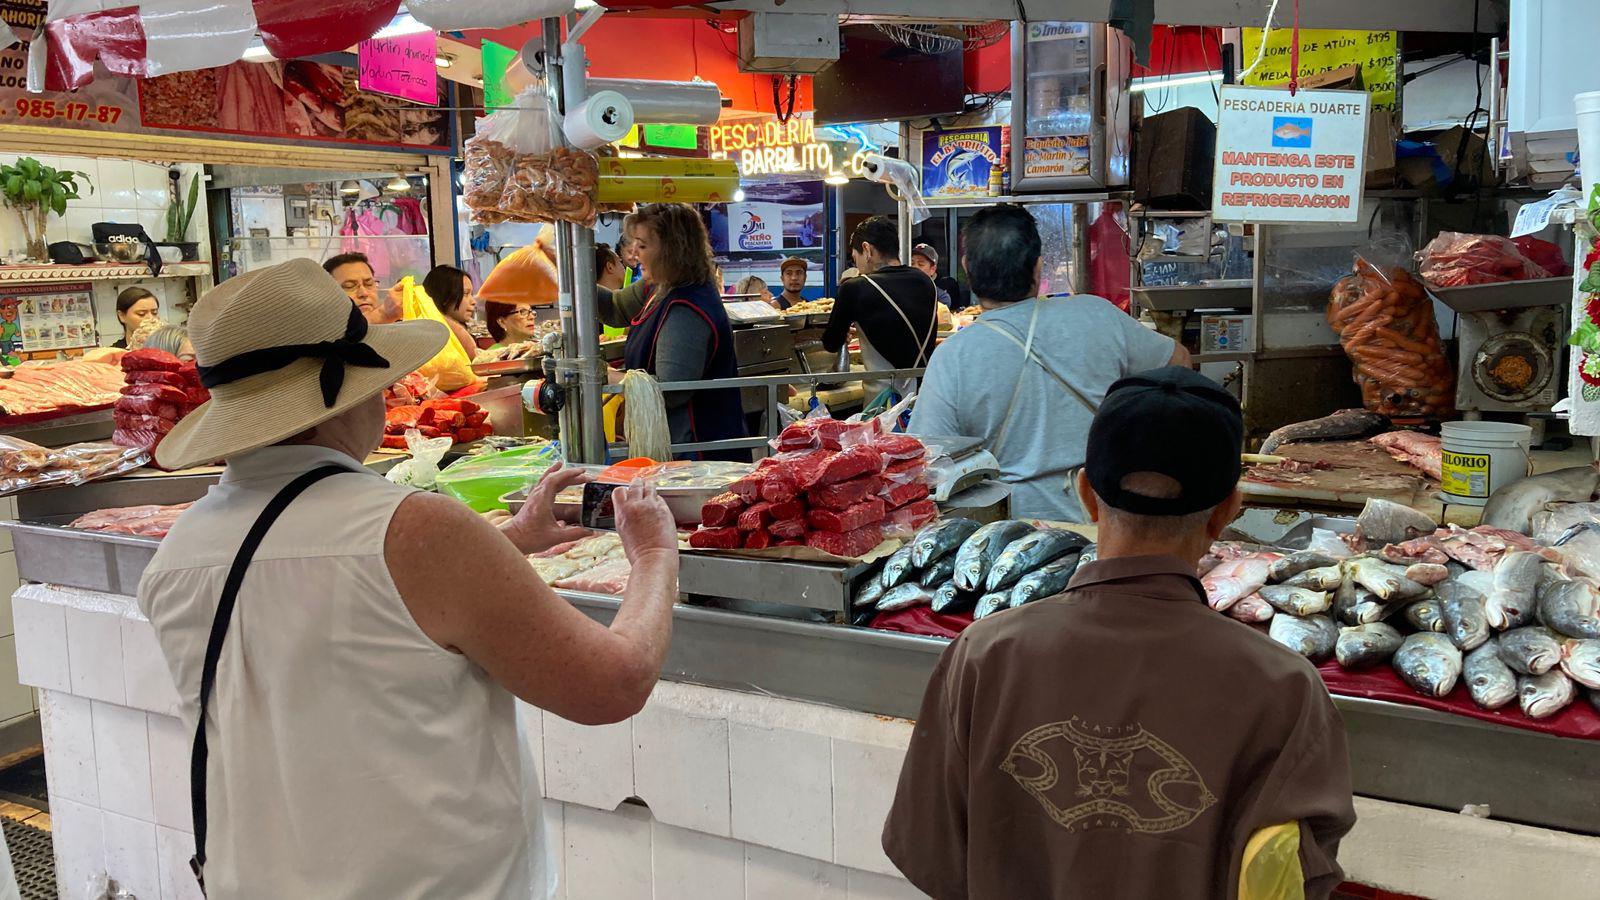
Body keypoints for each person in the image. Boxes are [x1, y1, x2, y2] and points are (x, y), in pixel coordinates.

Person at [138, 258, 681, 898]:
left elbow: (350, 612)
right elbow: (611, 686)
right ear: (350, 395)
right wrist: (654, 553)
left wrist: (504, 543)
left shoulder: (180, 552)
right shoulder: (416, 530)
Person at [884, 366, 1357, 899]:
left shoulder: (984, 654)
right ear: (1228, 510)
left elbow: (929, 854)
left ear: (1086, 494)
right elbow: (1296, 880)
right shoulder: (1284, 686)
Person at [910, 204, 1190, 523]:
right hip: (1108, 519)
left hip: (1010, 533)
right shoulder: (1096, 315)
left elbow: (926, 462)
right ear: (1038, 267)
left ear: (966, 268)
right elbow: (1179, 363)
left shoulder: (953, 356)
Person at [610, 203, 746, 460]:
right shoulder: (660, 286)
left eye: (642, 245)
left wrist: (609, 377)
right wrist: (563, 280)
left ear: (671, 250)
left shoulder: (687, 308)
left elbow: (671, 390)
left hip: (695, 453)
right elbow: (615, 307)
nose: (634, 253)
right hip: (675, 445)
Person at [823, 216, 939, 401]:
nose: (857, 266)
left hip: (882, 401)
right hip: (925, 396)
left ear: (867, 249)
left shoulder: (855, 288)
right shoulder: (926, 282)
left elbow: (831, 343)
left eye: (855, 258)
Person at [323, 252, 401, 325]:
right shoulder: (323, 329)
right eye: (349, 286)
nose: (364, 293)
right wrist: (383, 315)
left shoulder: (397, 321)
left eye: (369, 284)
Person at [423, 264, 479, 353]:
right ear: (445, 296)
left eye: (471, 294)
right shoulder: (429, 338)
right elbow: (473, 353)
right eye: (465, 294)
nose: (473, 301)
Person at [911, 243, 967, 310]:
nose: (915, 267)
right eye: (912, 263)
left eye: (921, 264)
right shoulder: (903, 288)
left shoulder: (942, 295)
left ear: (932, 269)